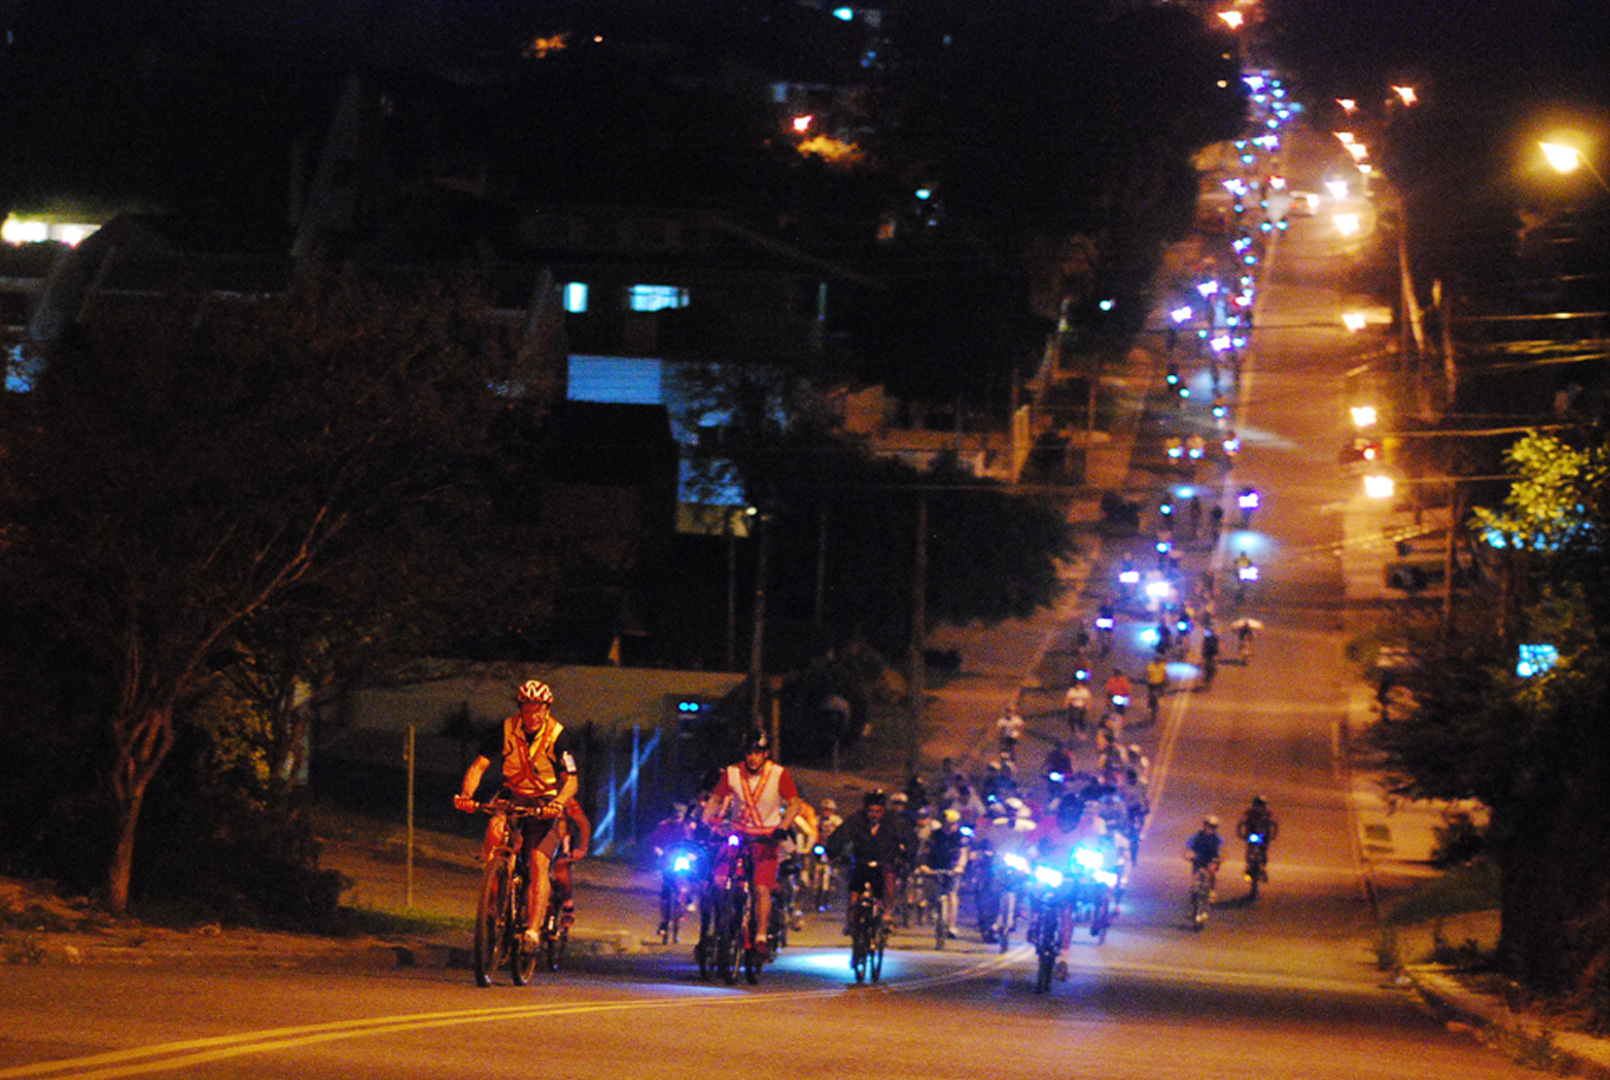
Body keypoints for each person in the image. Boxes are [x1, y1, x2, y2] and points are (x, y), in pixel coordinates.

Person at [454, 679, 582, 947]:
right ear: (520, 708)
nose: (532, 715)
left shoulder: (559, 735)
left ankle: (532, 933)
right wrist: (467, 796)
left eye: (538, 709)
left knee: (537, 862)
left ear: (546, 709)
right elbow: (479, 766)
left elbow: (571, 780)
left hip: (545, 801)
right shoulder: (505, 729)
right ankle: (493, 886)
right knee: (494, 828)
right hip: (512, 793)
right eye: (527, 708)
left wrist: (557, 802)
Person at [703, 729, 804, 960]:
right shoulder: (732, 772)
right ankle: (721, 923)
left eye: (758, 753)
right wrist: (705, 822)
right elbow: (717, 799)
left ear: (765, 754)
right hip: (739, 835)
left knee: (761, 888)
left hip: (766, 839)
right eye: (749, 752)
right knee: (718, 881)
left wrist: (783, 826)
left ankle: (759, 936)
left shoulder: (779, 774)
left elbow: (794, 803)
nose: (752, 757)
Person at [825, 790, 914, 934]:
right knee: (854, 896)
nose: (874, 815)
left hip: (885, 862)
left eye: (878, 811)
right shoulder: (856, 820)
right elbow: (839, 837)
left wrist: (905, 857)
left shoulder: (894, 821)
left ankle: (887, 915)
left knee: (889, 881)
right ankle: (851, 921)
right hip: (861, 862)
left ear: (883, 811)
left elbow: (910, 840)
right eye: (871, 811)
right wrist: (835, 854)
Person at [925, 809, 970, 939]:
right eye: (948, 824)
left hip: (952, 867)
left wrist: (960, 867)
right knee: (931, 890)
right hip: (936, 865)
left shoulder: (960, 837)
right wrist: (924, 865)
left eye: (953, 824)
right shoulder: (935, 835)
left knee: (952, 893)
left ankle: (952, 925)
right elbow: (926, 851)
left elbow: (963, 854)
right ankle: (932, 912)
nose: (951, 827)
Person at [1237, 795, 1278, 877]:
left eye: (1261, 805)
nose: (1259, 807)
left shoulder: (1268, 814)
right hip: (1251, 835)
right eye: (1257, 805)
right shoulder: (1249, 813)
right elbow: (1241, 823)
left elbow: (1274, 825)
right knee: (1249, 849)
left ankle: (1263, 867)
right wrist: (1241, 834)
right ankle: (1248, 866)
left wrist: (1272, 836)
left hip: (1264, 836)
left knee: (1264, 851)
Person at [1185, 816, 1223, 895]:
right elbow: (1189, 845)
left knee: (1211, 871)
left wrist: (1218, 860)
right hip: (1199, 857)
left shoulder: (1217, 837)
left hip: (1211, 858)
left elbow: (1222, 850)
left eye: (1213, 826)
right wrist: (1188, 854)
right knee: (1196, 872)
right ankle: (1194, 885)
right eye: (1208, 825)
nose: (1210, 828)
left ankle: (1212, 890)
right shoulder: (1198, 835)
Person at [1144, 652, 1169, 720]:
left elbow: (1165, 674)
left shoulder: (1163, 665)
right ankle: (1150, 704)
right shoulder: (1151, 666)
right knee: (1150, 695)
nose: (1157, 661)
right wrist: (1146, 679)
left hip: (1160, 683)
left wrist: (1165, 681)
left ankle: (1157, 703)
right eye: (1156, 660)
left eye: (1158, 660)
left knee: (1160, 694)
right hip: (1152, 683)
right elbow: (1147, 674)